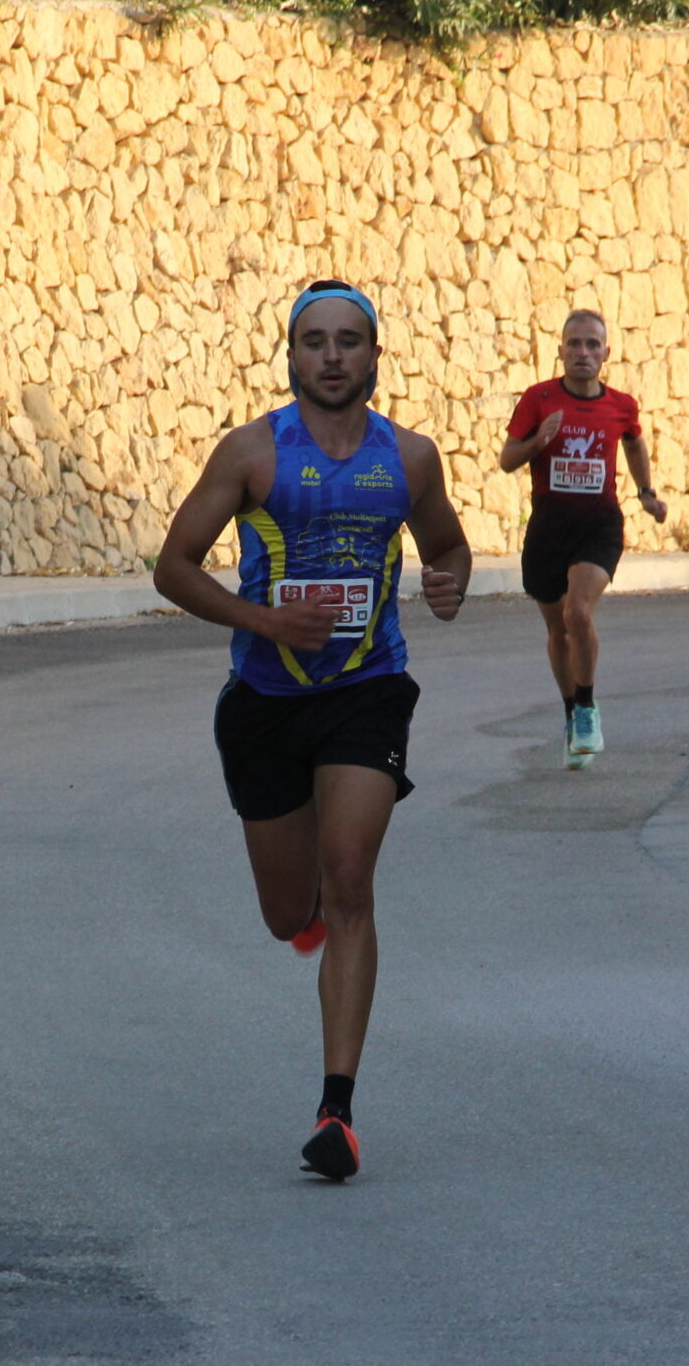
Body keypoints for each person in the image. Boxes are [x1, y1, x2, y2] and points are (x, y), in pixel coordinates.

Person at [152, 281, 472, 1182]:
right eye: (314, 341)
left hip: (367, 690)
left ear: (377, 355)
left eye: (349, 341)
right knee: (289, 912)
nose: (332, 356)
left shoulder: (409, 459)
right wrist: (266, 624)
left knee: (351, 881)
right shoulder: (252, 453)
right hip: (263, 700)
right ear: (289, 356)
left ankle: (338, 1111)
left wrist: (450, 584)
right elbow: (172, 568)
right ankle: (308, 922)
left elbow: (447, 549)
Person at [499, 309, 667, 769]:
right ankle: (572, 714)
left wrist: (646, 492)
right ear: (561, 351)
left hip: (599, 526)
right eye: (574, 344)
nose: (583, 353)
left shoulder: (621, 404)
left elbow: (633, 440)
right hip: (549, 528)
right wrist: (538, 441)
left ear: (606, 354)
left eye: (593, 345)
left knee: (578, 612)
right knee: (558, 630)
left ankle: (588, 708)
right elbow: (506, 459)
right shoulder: (539, 399)